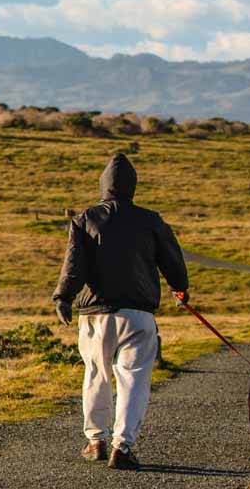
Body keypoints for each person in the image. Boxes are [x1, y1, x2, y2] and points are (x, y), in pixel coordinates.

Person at [53, 151, 189, 471]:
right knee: (134, 379)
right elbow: (172, 259)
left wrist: (64, 297)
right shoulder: (151, 220)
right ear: (132, 186)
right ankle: (123, 447)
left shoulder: (86, 219)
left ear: (103, 184)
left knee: (96, 374)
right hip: (138, 315)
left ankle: (96, 441)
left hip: (95, 314)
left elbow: (74, 264)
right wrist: (180, 288)